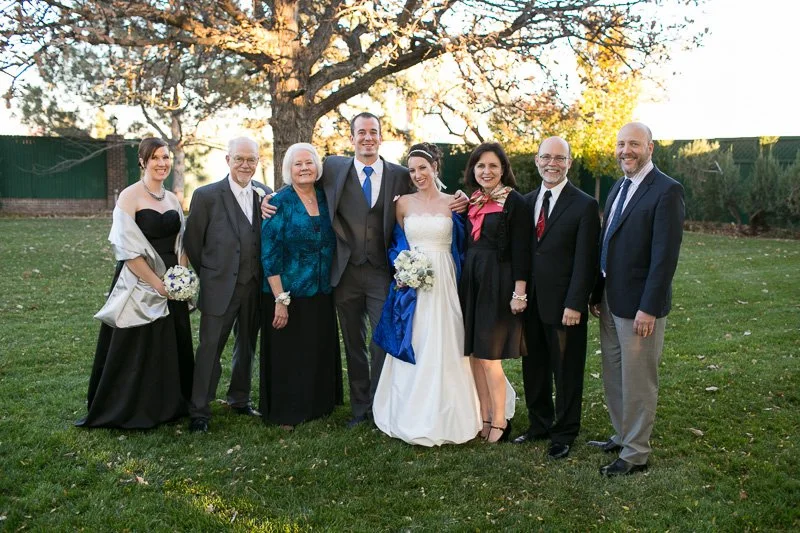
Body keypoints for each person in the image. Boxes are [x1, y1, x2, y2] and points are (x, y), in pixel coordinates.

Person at [261, 113, 468, 428]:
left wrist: (461, 197)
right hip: (343, 273)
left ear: (381, 137)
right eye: (361, 132)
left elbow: (428, 192)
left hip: (382, 272)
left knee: (381, 340)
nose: (367, 137)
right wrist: (270, 197)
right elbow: (300, 179)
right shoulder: (333, 168)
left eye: (373, 132)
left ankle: (384, 403)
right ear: (352, 137)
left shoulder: (399, 174)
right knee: (353, 343)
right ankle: (360, 408)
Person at [588, 122, 685, 476]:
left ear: (650, 148)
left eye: (633, 144)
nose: (625, 150)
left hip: (640, 306)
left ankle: (635, 455)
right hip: (611, 299)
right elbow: (608, 241)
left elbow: (664, 257)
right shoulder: (619, 186)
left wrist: (649, 307)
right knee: (615, 373)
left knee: (639, 379)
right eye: (620, 144)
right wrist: (598, 293)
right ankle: (622, 435)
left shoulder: (667, 191)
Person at [77, 137, 194, 429]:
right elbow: (126, 249)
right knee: (140, 343)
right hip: (139, 278)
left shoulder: (171, 198)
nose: (162, 163)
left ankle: (171, 403)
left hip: (170, 279)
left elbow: (181, 241)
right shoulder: (129, 196)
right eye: (155, 158)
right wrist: (157, 283)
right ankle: (134, 406)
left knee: (169, 342)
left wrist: (180, 275)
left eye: (166, 157)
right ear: (142, 161)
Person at [372, 143, 481, 446]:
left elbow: (464, 243)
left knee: (447, 338)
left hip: (445, 279)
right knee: (417, 337)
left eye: (423, 167)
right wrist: (403, 268)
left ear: (435, 167)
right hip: (413, 282)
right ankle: (408, 411)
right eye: (412, 170)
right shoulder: (402, 203)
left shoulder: (456, 202)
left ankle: (455, 412)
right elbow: (396, 243)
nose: (418, 174)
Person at [514, 137, 600, 460]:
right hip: (531, 303)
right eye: (546, 157)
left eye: (559, 158)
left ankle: (564, 432)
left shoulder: (584, 205)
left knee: (566, 371)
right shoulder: (526, 202)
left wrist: (576, 303)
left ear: (569, 164)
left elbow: (586, 260)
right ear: (537, 160)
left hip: (565, 306)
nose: (552, 163)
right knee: (533, 366)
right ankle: (539, 424)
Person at [183, 137, 272, 433]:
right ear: (228, 160)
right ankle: (199, 409)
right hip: (219, 285)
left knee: (246, 344)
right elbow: (193, 242)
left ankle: (239, 398)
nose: (245, 165)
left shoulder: (266, 194)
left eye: (251, 160)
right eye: (239, 159)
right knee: (210, 347)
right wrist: (211, 273)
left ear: (258, 162)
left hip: (255, 285)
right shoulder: (206, 195)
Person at [259, 143, 343, 429]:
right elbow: (269, 254)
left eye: (309, 163)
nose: (305, 168)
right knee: (289, 353)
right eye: (298, 164)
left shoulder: (326, 197)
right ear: (289, 170)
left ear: (317, 167)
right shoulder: (278, 202)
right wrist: (280, 299)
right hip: (289, 291)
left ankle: (318, 404)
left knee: (316, 349)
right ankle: (286, 411)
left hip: (321, 289)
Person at [460, 142, 529, 443]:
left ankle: (500, 421)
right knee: (474, 355)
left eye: (493, 166)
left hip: (498, 283)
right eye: (481, 166)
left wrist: (519, 293)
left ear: (503, 170)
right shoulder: (472, 200)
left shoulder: (514, 202)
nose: (486, 172)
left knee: (490, 357)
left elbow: (522, 251)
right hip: (472, 283)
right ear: (473, 170)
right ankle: (484, 416)